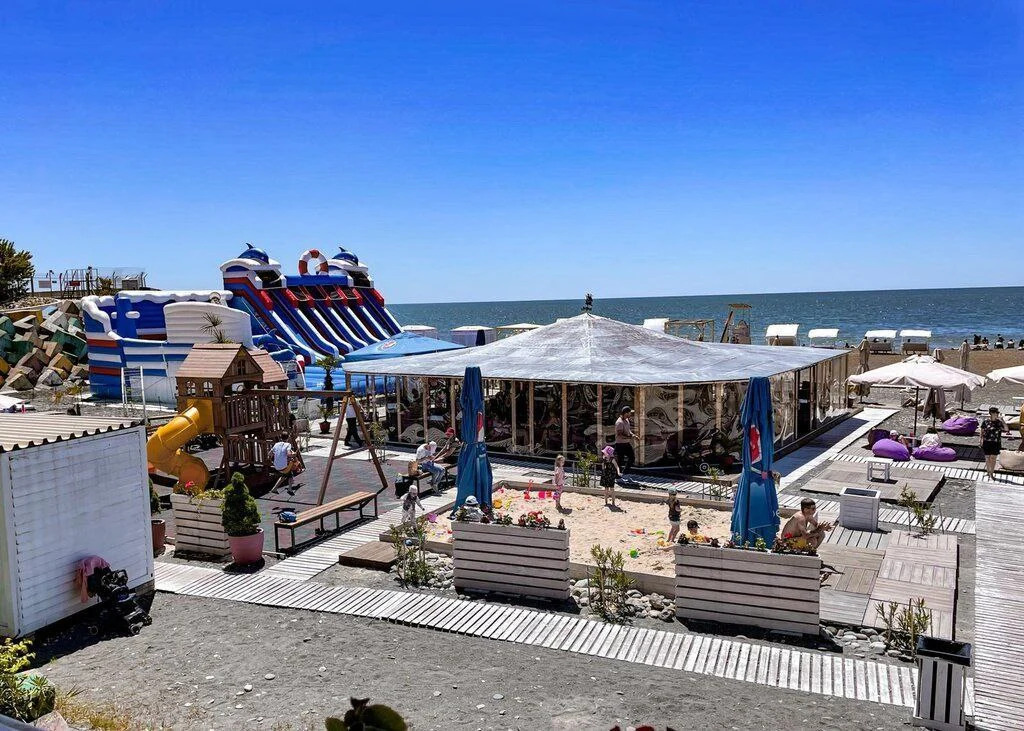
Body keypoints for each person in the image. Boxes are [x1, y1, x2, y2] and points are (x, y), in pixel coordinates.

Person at [980, 406, 1006, 480]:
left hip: (996, 443)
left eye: (998, 413)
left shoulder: (999, 422)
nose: (997, 414)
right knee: (987, 458)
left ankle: (991, 473)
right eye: (996, 413)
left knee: (993, 458)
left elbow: (1006, 429)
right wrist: (980, 440)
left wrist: (1002, 420)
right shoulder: (985, 421)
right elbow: (982, 431)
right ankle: (988, 472)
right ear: (991, 413)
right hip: (986, 442)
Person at [614, 406, 639, 474]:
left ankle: (625, 472)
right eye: (629, 413)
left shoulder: (627, 420)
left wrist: (633, 435)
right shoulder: (619, 422)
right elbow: (620, 434)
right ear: (626, 413)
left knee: (632, 457)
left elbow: (628, 430)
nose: (630, 414)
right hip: (620, 445)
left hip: (626, 444)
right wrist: (629, 437)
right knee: (620, 461)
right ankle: (617, 475)